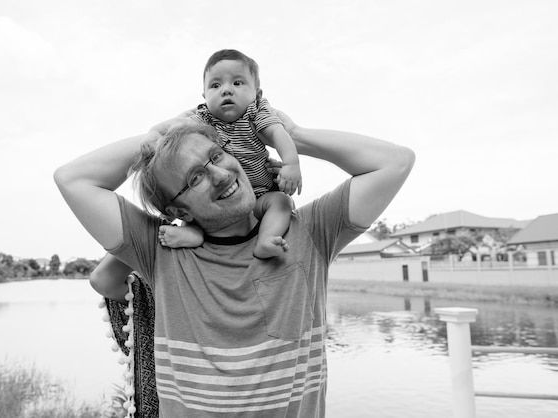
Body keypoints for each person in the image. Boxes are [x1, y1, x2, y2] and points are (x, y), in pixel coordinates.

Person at [54, 109, 415, 417]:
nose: (221, 174)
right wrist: (154, 138)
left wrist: (293, 138)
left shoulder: (309, 231)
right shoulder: (160, 250)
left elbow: (395, 162)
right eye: (194, 177)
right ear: (178, 211)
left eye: (216, 155)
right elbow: (73, 179)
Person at [147, 49, 301, 259]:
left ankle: (266, 238)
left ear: (257, 93)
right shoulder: (204, 118)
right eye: (215, 85)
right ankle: (193, 234)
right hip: (221, 198)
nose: (226, 90)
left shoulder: (255, 112)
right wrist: (153, 133)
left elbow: (278, 133)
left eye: (237, 83)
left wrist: (291, 164)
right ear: (204, 96)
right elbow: (171, 128)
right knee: (196, 204)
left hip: (262, 193)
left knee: (282, 202)